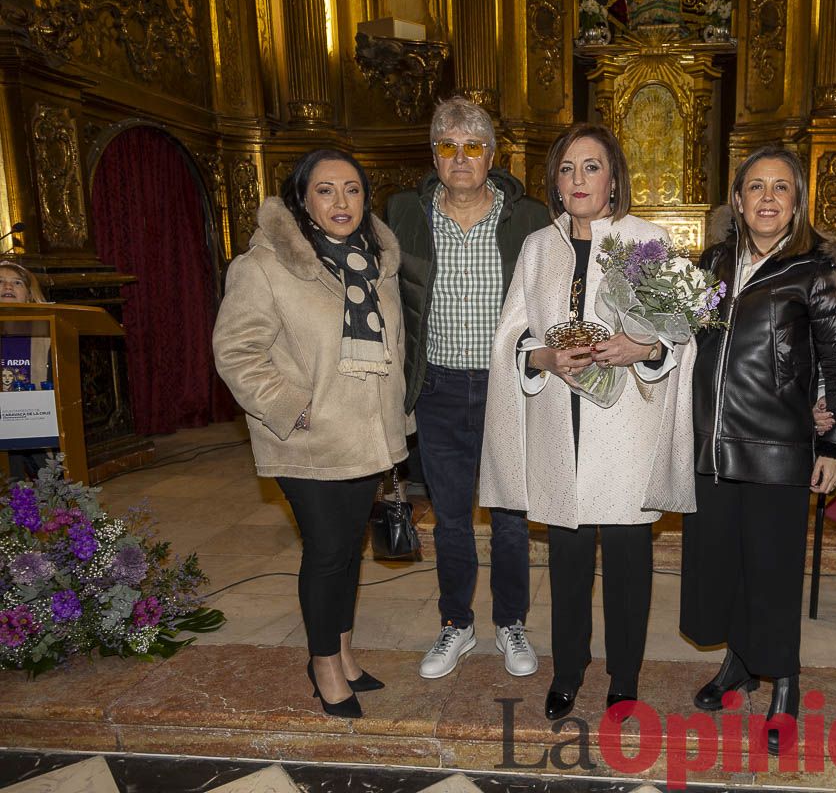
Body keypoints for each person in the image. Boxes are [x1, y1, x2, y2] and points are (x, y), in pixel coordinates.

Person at [478, 123, 695, 721]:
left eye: (591, 167)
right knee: (569, 567)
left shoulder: (648, 241)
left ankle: (624, 680)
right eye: (567, 168)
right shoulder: (538, 247)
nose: (578, 180)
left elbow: (679, 341)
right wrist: (543, 356)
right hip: (558, 422)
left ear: (614, 179)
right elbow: (511, 336)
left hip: (625, 427)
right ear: (554, 180)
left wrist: (641, 349)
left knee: (628, 564)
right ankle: (568, 671)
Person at [679, 145, 836, 755]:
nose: (766, 197)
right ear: (736, 201)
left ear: (796, 204)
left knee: (773, 570)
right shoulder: (711, 263)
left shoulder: (815, 270)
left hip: (778, 445)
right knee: (725, 564)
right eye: (754, 186)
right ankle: (739, 664)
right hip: (711, 444)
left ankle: (783, 684)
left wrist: (835, 444)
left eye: (780, 188)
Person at [213, 148, 408, 719]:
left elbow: (391, 352)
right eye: (326, 190)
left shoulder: (375, 262)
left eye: (352, 189)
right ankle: (323, 664)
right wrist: (290, 409)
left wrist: (395, 417)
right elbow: (236, 351)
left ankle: (343, 651)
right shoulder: (264, 266)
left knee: (348, 552)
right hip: (309, 440)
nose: (341, 202)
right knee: (326, 553)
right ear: (302, 199)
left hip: (366, 438)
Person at [387, 97, 550, 680]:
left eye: (473, 146)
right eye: (447, 146)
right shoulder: (404, 213)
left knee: (509, 517)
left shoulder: (528, 217)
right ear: (433, 155)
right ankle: (456, 623)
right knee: (452, 517)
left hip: (508, 388)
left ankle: (510, 621)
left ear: (492, 155)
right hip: (437, 389)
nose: (460, 158)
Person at [1, 260, 53, 483]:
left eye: (16, 283)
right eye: (0, 282)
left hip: (34, 417)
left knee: (48, 480)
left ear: (30, 295)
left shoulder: (48, 330)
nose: (8, 287)